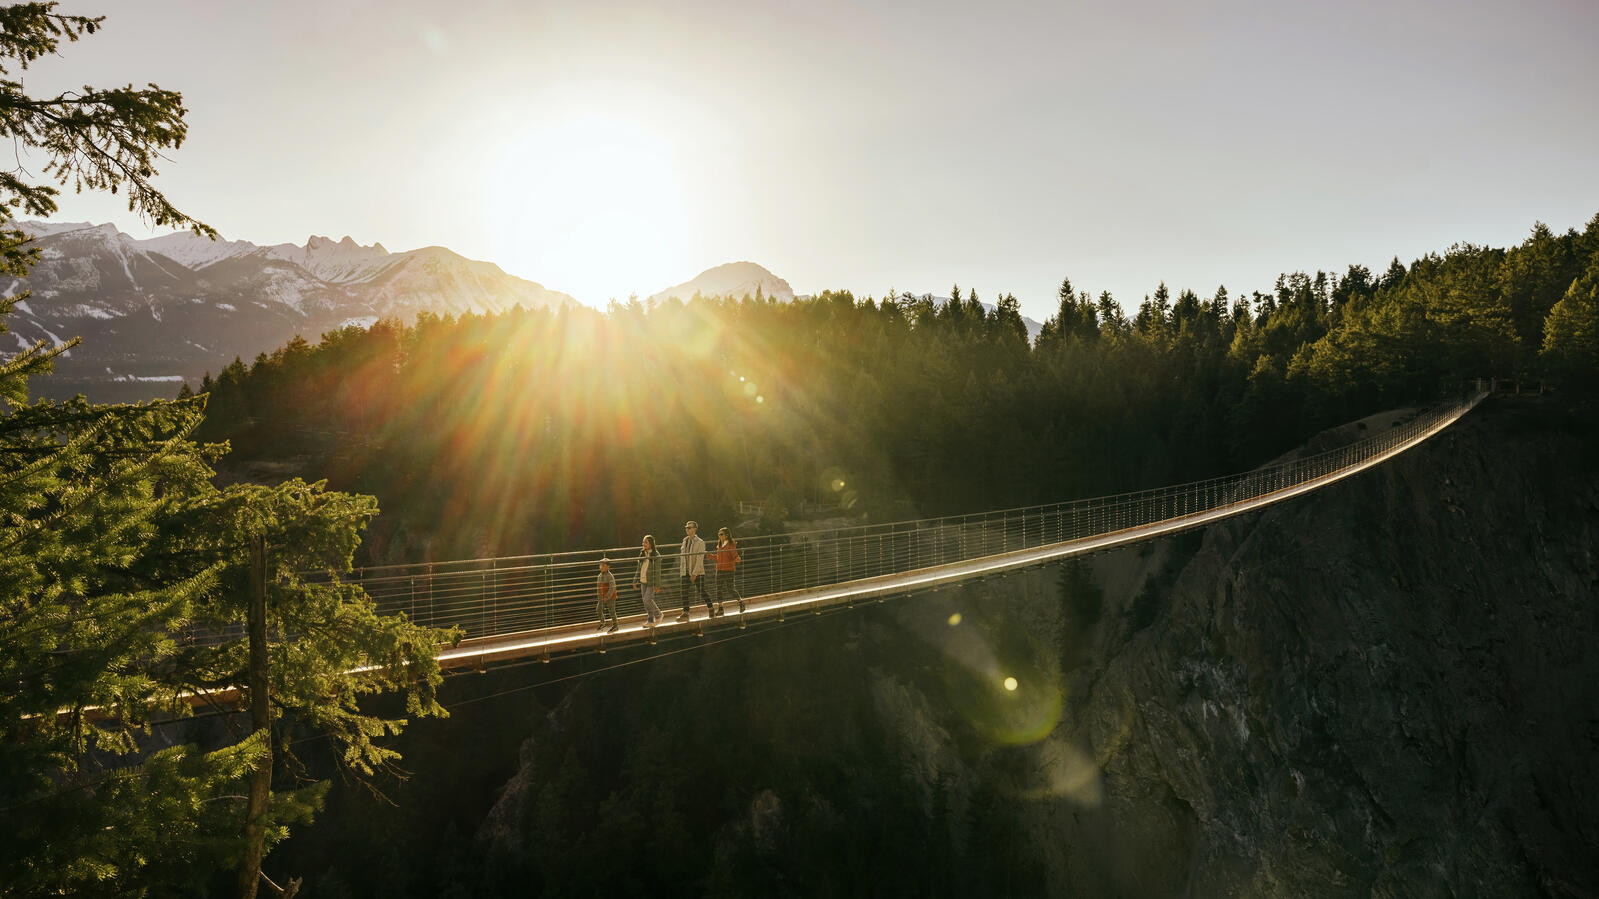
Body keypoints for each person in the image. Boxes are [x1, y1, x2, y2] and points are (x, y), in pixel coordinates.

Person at [676, 520, 711, 622]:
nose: (687, 529)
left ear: (695, 529)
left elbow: (700, 559)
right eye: (686, 527)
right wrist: (682, 571)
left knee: (701, 591)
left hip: (697, 572)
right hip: (685, 571)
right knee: (684, 592)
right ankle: (685, 613)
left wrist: (694, 573)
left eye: (689, 527)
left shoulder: (700, 542)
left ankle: (711, 608)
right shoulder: (685, 540)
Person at [713, 526, 743, 616]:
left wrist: (737, 558)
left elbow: (734, 555)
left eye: (721, 534)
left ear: (726, 535)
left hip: (729, 569)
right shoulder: (719, 545)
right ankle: (721, 609)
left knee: (730, 589)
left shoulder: (731, 544)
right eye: (719, 534)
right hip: (719, 569)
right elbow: (719, 558)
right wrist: (710, 556)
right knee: (718, 589)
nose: (719, 536)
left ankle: (741, 603)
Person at [637, 534, 663, 626]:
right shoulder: (643, 553)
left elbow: (657, 572)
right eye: (643, 542)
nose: (644, 544)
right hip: (642, 581)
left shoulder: (656, 555)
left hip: (651, 582)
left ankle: (659, 615)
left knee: (647, 600)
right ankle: (650, 620)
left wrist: (657, 585)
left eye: (646, 542)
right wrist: (635, 580)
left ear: (651, 544)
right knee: (645, 602)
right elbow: (639, 569)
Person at [595, 558, 619, 633]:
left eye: (603, 565)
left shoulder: (610, 576)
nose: (601, 567)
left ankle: (615, 626)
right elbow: (598, 587)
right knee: (598, 609)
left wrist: (607, 597)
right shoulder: (599, 576)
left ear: (608, 567)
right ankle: (603, 622)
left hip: (610, 596)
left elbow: (612, 588)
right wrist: (599, 596)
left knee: (612, 611)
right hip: (602, 597)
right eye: (600, 565)